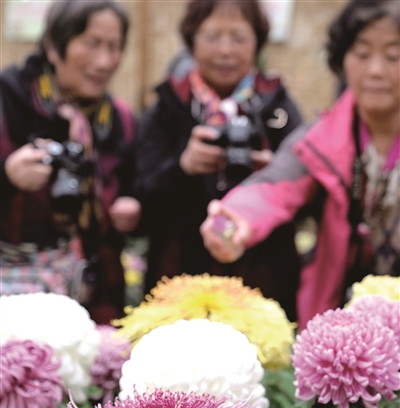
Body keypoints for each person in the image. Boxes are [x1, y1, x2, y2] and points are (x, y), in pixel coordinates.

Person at [201, 0, 400, 330]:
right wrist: (232, 219)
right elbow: (275, 185)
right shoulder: (323, 138)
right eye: (362, 54)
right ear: (342, 59)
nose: (375, 70)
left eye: (393, 56)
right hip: (339, 320)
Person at [134, 0, 302, 321]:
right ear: (192, 40)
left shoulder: (279, 109)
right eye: (213, 37)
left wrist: (274, 177)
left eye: (239, 37)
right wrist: (183, 167)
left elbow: (308, 195)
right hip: (180, 278)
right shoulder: (167, 108)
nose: (226, 50)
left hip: (263, 280)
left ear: (257, 42)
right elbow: (142, 200)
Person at [1, 0, 141, 323]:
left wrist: (133, 208)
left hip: (96, 292)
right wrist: (7, 176)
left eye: (114, 47)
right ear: (53, 47)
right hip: (13, 296)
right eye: (91, 43)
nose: (105, 61)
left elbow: (138, 186)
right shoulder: (10, 99)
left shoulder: (117, 118)